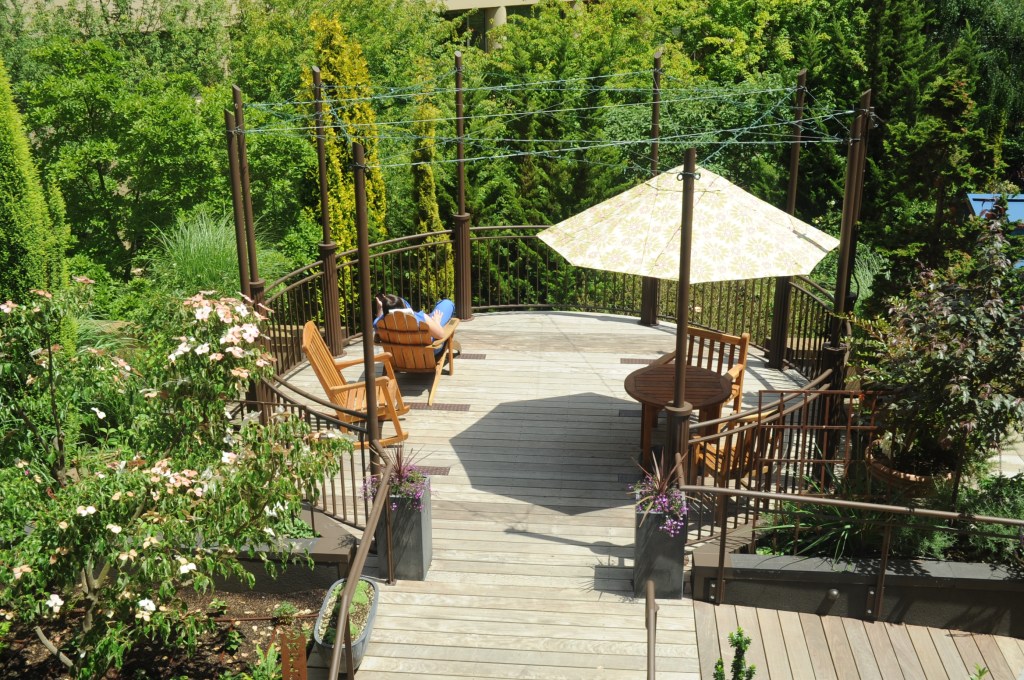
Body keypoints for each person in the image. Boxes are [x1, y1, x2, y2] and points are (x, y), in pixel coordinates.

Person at [373, 292, 455, 340]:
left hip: (398, 356)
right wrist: (436, 321)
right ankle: (439, 307)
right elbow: (441, 335)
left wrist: (380, 308)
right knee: (447, 303)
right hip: (427, 353)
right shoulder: (420, 318)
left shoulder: (380, 323)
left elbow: (376, 321)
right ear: (404, 307)